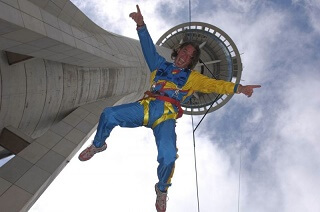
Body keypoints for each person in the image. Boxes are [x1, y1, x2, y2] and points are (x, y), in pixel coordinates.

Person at [78, 5, 261, 212]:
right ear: (178, 52)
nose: (185, 55)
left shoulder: (193, 78)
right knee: (109, 114)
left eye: (190, 55)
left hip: (165, 117)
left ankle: (162, 189)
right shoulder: (160, 65)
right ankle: (98, 145)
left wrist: (239, 88)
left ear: (192, 61)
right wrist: (141, 25)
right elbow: (148, 48)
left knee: (168, 156)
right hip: (146, 107)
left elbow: (215, 85)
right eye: (184, 50)